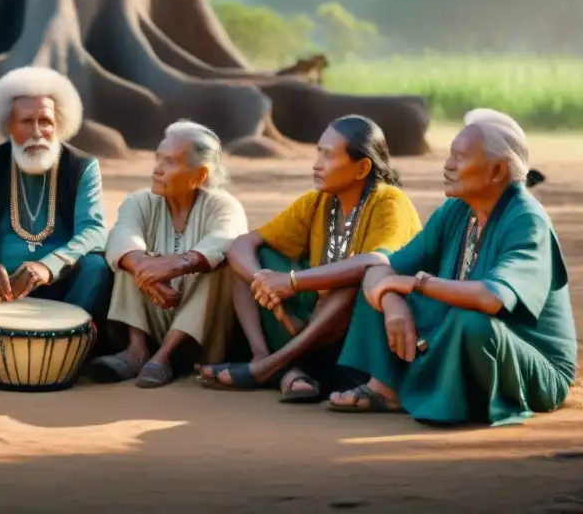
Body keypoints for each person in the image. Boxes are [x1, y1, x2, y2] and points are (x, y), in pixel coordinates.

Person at [328, 109, 577, 426]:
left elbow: (491, 299)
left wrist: (414, 284)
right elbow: (382, 268)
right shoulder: (457, 210)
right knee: (378, 284)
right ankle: (385, 390)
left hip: (533, 363)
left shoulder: (527, 219)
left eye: (459, 157)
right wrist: (393, 304)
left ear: (497, 171)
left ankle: (447, 396)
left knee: (472, 320)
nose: (447, 166)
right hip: (459, 330)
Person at [198, 115, 422, 402]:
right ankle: (263, 356)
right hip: (311, 321)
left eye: (328, 155)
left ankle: (275, 367)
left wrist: (291, 283)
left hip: (360, 330)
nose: (317, 164)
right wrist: (264, 283)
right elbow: (243, 244)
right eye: (318, 152)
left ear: (362, 167)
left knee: (352, 280)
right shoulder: (318, 202)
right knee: (248, 263)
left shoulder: (389, 201)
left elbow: (377, 262)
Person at [0, 66, 111, 381]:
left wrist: (49, 266)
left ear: (59, 125)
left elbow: (94, 229)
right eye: (27, 121)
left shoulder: (82, 167)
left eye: (46, 121)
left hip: (62, 285)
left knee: (97, 269)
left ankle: (73, 351)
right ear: (8, 125)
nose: (38, 131)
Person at [90, 121, 247, 388]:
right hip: (153, 316)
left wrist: (180, 263)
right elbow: (121, 236)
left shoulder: (224, 206)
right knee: (129, 256)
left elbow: (226, 238)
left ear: (199, 174)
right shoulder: (139, 201)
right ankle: (137, 350)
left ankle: (166, 356)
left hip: (201, 333)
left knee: (219, 265)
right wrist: (146, 268)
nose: (157, 169)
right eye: (158, 158)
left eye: (170, 162)